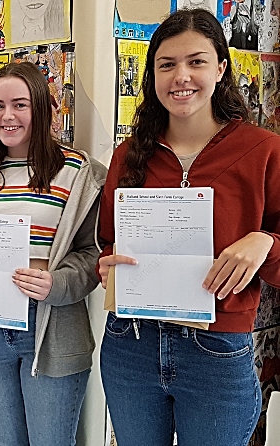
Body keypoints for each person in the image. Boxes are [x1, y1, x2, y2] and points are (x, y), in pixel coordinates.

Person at [97, 9, 280, 446]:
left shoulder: (263, 151)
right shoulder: (128, 155)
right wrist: (106, 266)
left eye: (196, 61)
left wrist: (264, 243)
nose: (182, 76)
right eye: (167, 64)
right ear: (152, 75)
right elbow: (104, 244)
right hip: (131, 344)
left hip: (215, 351)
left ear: (220, 68)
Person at [0, 62, 107, 446]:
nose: (7, 116)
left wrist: (56, 282)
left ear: (41, 108)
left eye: (20, 104)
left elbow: (94, 254)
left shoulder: (78, 172)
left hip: (49, 328)